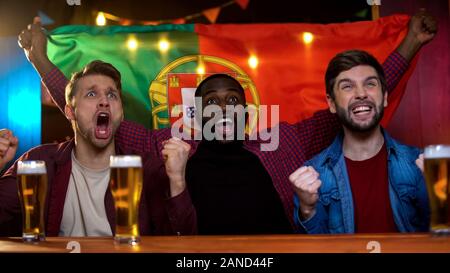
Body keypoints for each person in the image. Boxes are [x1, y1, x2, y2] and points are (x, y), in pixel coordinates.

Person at [19, 11, 437, 234]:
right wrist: (40, 61)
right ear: (196, 114)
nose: (222, 107)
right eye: (211, 101)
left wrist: (411, 42)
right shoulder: (170, 147)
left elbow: (355, 103)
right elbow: (93, 117)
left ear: (245, 109)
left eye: (231, 99)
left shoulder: (282, 140)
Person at [0, 61, 196, 236]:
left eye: (112, 95)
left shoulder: (146, 167)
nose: (104, 101)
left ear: (121, 112)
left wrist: (177, 182)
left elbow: (182, 241)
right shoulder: (38, 162)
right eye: (91, 94)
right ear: (70, 111)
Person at [289, 50, 430, 233]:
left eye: (370, 84)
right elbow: (315, 250)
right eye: (347, 86)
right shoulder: (314, 176)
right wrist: (307, 209)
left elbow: (440, 240)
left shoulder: (420, 165)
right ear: (331, 103)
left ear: (385, 97)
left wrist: (440, 194)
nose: (361, 94)